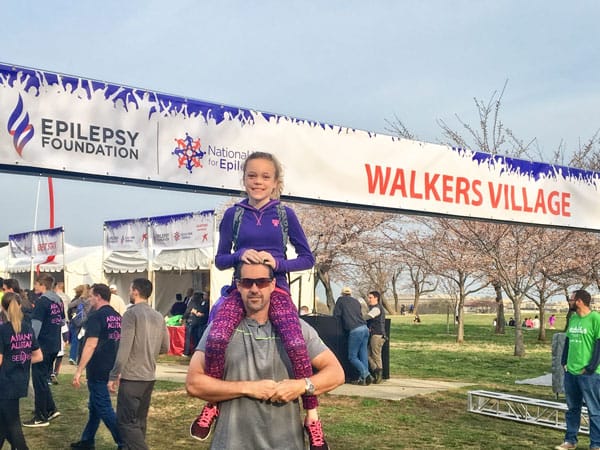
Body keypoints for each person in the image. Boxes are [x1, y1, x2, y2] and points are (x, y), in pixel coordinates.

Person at [190, 151, 326, 449]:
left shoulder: (284, 214)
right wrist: (239, 255)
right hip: (240, 290)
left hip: (275, 291)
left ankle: (312, 417)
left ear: (276, 182)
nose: (258, 181)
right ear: (244, 178)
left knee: (296, 346)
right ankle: (213, 403)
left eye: (266, 176)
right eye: (252, 175)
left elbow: (306, 258)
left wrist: (277, 264)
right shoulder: (233, 214)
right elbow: (221, 259)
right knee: (217, 337)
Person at [185, 262, 344, 450]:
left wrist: (302, 386)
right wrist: (248, 388)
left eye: (261, 282)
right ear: (237, 285)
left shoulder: (298, 330)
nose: (254, 289)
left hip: (287, 444)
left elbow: (336, 373)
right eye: (247, 282)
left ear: (272, 285)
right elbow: (193, 383)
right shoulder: (218, 331)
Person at [108, 278, 169, 450]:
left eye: (130, 289)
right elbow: (166, 347)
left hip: (132, 377)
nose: (128, 292)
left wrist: (113, 375)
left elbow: (124, 347)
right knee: (139, 422)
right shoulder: (158, 315)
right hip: (149, 377)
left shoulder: (131, 314)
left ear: (135, 291)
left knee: (126, 423)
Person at [71, 283, 123, 449]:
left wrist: (79, 370)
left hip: (98, 366)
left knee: (104, 407)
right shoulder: (117, 316)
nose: (89, 298)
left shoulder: (96, 316)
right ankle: (87, 440)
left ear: (99, 296)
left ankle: (124, 441)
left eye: (91, 295)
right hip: (111, 364)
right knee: (95, 407)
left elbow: (90, 344)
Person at [556, 289, 600, 450]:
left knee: (594, 410)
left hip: (590, 375)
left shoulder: (596, 318)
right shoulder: (573, 318)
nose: (569, 301)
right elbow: (567, 341)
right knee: (572, 409)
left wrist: (590, 368)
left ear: (579, 301)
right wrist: (563, 362)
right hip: (571, 373)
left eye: (571, 299)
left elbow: (599, 345)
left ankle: (596, 444)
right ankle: (570, 441)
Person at [0, 292, 43, 448]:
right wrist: (21, 358)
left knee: (12, 423)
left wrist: (12, 360)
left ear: (2, 308)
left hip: (5, 381)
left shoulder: (3, 330)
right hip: (20, 379)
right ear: (19, 306)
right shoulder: (27, 328)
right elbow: (38, 356)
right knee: (4, 421)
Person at [23, 274, 64, 427]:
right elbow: (61, 321)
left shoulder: (42, 302)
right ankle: (51, 409)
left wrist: (29, 345)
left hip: (43, 346)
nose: (35, 287)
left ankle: (40, 416)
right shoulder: (58, 301)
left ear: (42, 285)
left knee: (39, 380)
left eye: (36, 285)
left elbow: (36, 327)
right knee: (43, 379)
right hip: (54, 344)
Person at [333, 287, 371, 385]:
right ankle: (363, 379)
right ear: (350, 293)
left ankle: (366, 374)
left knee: (352, 356)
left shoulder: (340, 300)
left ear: (342, 294)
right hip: (365, 328)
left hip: (355, 330)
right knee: (363, 355)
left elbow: (336, 315)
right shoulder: (356, 301)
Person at [67, 284, 91, 365]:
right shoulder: (91, 301)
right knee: (84, 341)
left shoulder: (79, 299)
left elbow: (69, 306)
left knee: (75, 339)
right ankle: (81, 359)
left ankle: (72, 357)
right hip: (86, 322)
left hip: (76, 321)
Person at [366, 290, 386, 384]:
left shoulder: (376, 309)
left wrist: (357, 318)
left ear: (376, 298)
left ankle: (379, 375)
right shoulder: (375, 308)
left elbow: (368, 316)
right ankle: (376, 370)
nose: (368, 299)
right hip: (375, 334)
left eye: (370, 297)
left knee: (376, 355)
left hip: (377, 335)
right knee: (366, 354)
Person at [182, 292, 209, 357]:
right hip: (199, 322)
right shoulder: (203, 303)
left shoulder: (192, 302)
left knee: (188, 337)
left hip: (191, 321)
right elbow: (203, 311)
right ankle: (197, 351)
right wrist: (198, 313)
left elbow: (188, 311)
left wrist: (183, 318)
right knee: (197, 337)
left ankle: (186, 352)